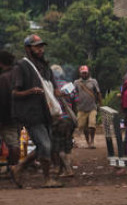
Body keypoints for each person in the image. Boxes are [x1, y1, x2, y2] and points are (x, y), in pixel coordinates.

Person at [10, 34, 61, 187]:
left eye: (41, 46)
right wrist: (30, 91)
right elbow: (14, 92)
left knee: (45, 145)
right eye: (36, 46)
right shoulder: (22, 66)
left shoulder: (45, 66)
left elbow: (53, 86)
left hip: (46, 112)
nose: (40, 49)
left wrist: (58, 92)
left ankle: (18, 167)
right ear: (28, 49)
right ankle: (47, 179)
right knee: (45, 146)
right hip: (31, 114)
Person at [0, 50, 21, 185]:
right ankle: (14, 169)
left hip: (4, 117)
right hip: (16, 116)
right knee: (14, 143)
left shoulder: (3, 78)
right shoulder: (18, 75)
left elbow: (2, 100)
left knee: (12, 144)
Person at [73, 64, 102, 148]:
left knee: (92, 125)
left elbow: (98, 93)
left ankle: (92, 141)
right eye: (82, 73)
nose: (84, 74)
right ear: (80, 74)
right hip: (81, 108)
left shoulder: (93, 81)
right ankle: (88, 142)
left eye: (85, 73)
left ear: (88, 73)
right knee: (83, 126)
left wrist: (101, 104)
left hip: (92, 107)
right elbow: (74, 93)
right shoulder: (76, 82)